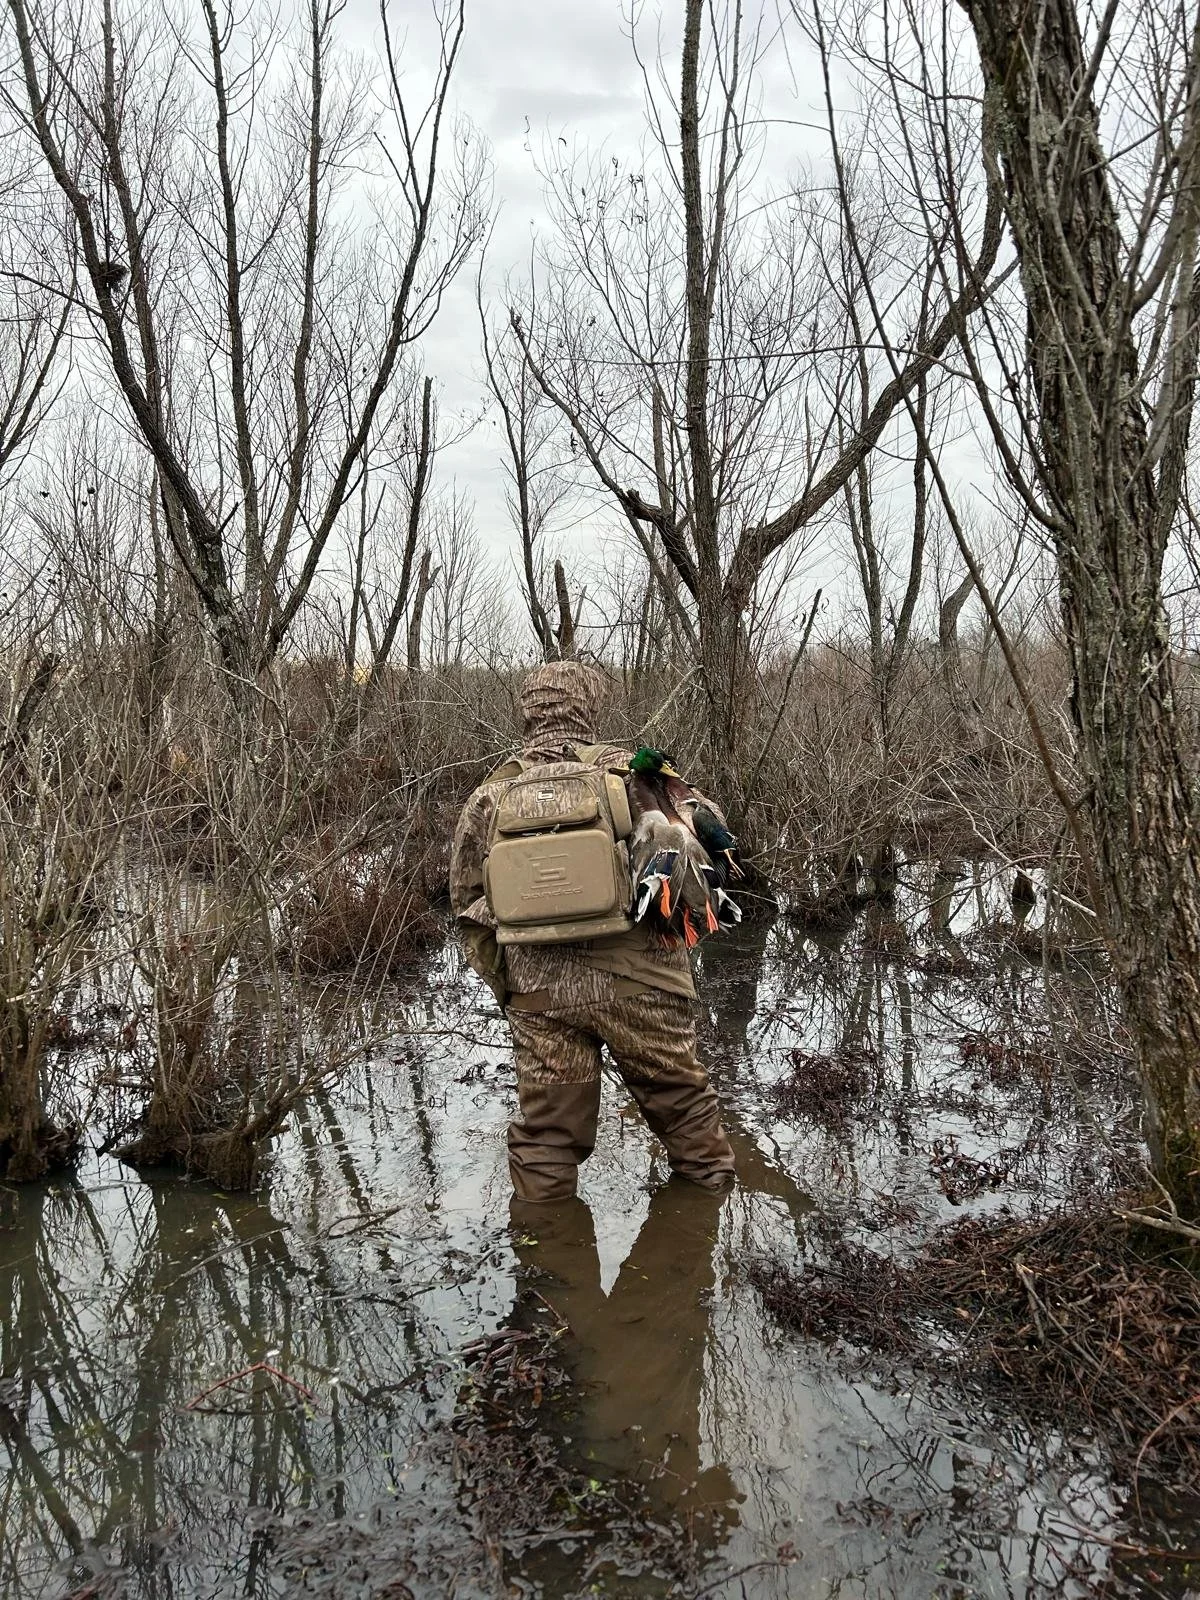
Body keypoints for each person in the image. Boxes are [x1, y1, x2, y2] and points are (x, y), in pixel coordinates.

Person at [449, 659, 737, 1203]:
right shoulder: (636, 771)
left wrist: (511, 989)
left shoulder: (490, 796)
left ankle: (549, 1272)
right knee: (688, 1120)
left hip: (539, 998)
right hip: (644, 985)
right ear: (591, 705)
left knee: (546, 1141)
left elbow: (468, 906)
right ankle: (695, 1248)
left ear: (527, 711)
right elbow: (708, 837)